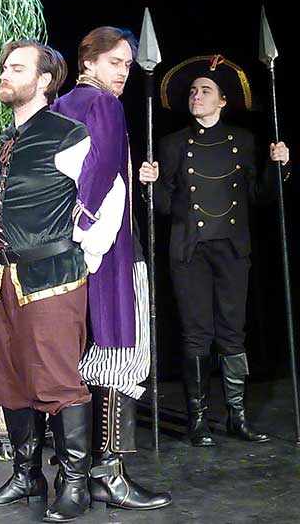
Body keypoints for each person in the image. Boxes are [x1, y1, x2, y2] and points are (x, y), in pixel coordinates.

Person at [140, 54, 290, 447]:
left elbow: (259, 196)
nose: (196, 96)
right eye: (193, 91)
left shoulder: (243, 141)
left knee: (232, 334)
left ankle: (237, 418)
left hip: (232, 249)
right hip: (189, 251)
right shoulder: (173, 144)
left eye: (205, 90)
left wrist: (280, 167)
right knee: (196, 335)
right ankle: (198, 421)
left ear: (223, 100)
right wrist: (151, 184)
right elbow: (164, 207)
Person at [0, 39, 94, 523]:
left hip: (51, 276)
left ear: (44, 80)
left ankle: (75, 483)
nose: (5, 74)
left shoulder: (68, 134)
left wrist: (85, 254)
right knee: (11, 380)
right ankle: (27, 476)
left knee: (59, 383)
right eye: (5, 67)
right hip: (3, 276)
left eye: (17, 68)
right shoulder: (8, 136)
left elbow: (105, 199)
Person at [52, 26, 171, 510]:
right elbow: (99, 174)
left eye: (127, 65)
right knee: (123, 355)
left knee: (83, 360)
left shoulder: (59, 106)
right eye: (115, 62)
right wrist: (88, 226)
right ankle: (110, 475)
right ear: (89, 61)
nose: (123, 72)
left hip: (68, 255)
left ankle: (77, 475)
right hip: (110, 251)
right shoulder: (102, 104)